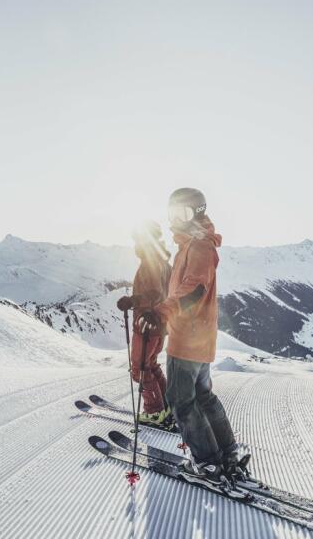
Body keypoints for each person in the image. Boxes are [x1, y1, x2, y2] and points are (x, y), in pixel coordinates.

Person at [138, 188, 244, 485]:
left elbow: (194, 288)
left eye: (182, 214)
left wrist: (162, 312)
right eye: (172, 213)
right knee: (203, 396)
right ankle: (226, 453)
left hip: (188, 337)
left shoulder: (198, 246)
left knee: (180, 400)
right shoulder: (194, 244)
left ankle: (208, 463)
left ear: (197, 212)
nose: (176, 220)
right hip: (199, 336)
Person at [117, 221, 172, 425]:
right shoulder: (162, 260)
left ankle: (154, 412)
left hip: (147, 325)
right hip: (160, 324)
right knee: (150, 365)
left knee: (139, 368)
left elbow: (155, 293)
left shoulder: (151, 259)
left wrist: (133, 301)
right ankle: (166, 405)